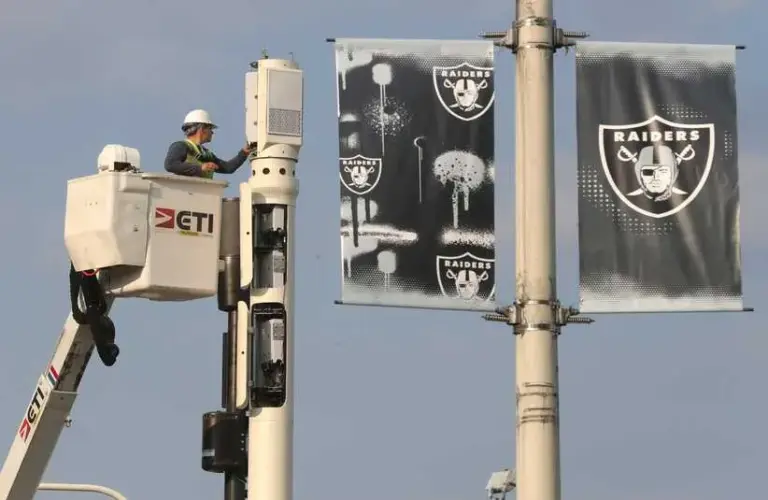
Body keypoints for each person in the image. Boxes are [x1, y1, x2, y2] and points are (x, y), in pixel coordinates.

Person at [164, 109, 253, 178]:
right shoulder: (181, 146)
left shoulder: (205, 154)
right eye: (210, 129)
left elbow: (228, 168)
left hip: (203, 196)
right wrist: (200, 168)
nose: (212, 133)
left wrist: (244, 152)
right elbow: (170, 165)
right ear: (201, 129)